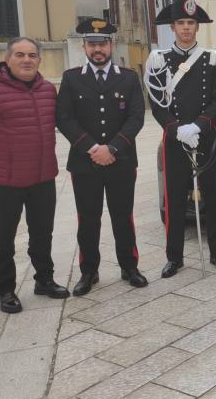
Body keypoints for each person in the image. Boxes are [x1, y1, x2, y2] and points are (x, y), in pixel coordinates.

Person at [0, 37, 69, 313]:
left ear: (39, 60)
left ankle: (44, 279)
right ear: (7, 59)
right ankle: (5, 289)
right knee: (3, 238)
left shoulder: (47, 90)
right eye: (20, 55)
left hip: (43, 178)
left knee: (43, 234)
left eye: (32, 55)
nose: (26, 60)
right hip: (4, 182)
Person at [145, 0, 216, 276]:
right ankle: (174, 257)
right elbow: (156, 103)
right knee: (176, 200)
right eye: (180, 23)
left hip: (207, 139)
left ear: (197, 26)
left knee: (214, 197)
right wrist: (176, 127)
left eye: (190, 23)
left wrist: (200, 124)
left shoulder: (213, 59)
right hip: (175, 139)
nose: (185, 28)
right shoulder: (158, 60)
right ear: (173, 27)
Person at [55, 19, 148, 296]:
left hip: (121, 161)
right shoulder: (72, 78)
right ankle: (88, 271)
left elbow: (136, 117)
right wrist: (93, 148)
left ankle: (129, 266)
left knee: (123, 216)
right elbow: (64, 118)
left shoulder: (129, 77)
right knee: (88, 218)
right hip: (85, 163)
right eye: (92, 44)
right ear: (84, 46)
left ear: (112, 45)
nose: (98, 49)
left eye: (102, 43)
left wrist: (113, 148)